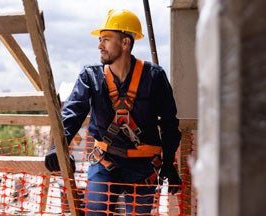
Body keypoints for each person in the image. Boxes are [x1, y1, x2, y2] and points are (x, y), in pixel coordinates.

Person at [45, 9, 182, 215]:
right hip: (105, 161)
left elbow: (170, 123)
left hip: (144, 167)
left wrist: (169, 163)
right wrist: (58, 147)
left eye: (106, 39)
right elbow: (72, 114)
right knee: (96, 211)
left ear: (125, 43)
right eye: (100, 39)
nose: (100, 45)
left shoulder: (154, 77)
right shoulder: (90, 75)